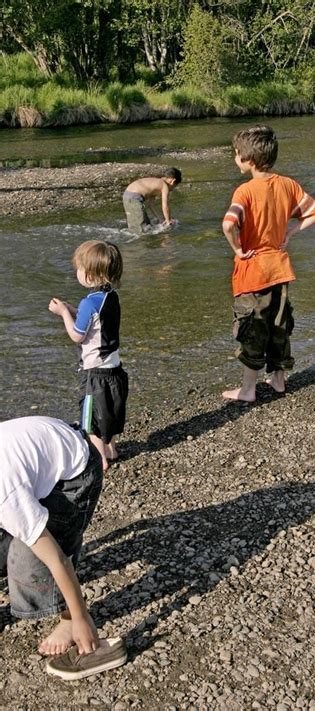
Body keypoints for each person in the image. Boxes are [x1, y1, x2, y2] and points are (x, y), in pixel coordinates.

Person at [221, 125, 315, 402]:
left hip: (253, 272)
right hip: (280, 268)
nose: (235, 158)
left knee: (252, 328)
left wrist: (239, 249)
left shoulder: (245, 191)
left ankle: (248, 389)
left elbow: (229, 224)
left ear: (249, 160)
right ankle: (278, 380)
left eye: (237, 154)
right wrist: (290, 232)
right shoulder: (288, 185)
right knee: (280, 325)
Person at [0, 416, 104, 657]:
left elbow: (57, 558)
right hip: (45, 445)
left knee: (29, 556)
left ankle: (67, 619)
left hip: (77, 469)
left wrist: (80, 618)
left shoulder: (6, 497)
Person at [49, 240, 128, 470]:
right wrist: (74, 310)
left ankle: (98, 459)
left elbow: (77, 335)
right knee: (110, 411)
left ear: (92, 275)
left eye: (80, 269)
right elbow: (97, 321)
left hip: (94, 373)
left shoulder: (88, 302)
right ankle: (112, 449)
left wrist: (64, 313)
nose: (77, 272)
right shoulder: (110, 297)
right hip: (114, 368)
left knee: (92, 418)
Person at [122, 168, 182, 235]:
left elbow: (151, 204)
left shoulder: (157, 182)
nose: (172, 189)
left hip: (128, 196)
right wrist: (168, 221)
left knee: (146, 226)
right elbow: (165, 206)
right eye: (174, 186)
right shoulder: (164, 186)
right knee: (141, 231)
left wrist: (159, 218)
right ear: (173, 181)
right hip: (134, 198)